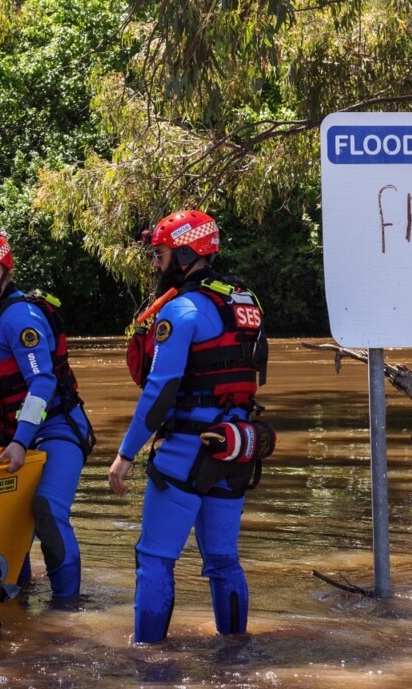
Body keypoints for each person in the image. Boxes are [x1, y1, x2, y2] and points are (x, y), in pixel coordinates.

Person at [109, 210, 273, 643]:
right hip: (236, 446)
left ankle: (147, 661)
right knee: (223, 560)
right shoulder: (245, 302)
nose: (157, 266)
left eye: (160, 255)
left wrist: (125, 455)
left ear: (185, 254)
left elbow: (159, 393)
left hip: (186, 448)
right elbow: (257, 373)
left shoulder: (180, 310)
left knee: (155, 558)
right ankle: (236, 654)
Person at [0, 231, 95, 600]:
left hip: (56, 429)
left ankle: (67, 608)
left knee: (46, 509)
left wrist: (22, 440)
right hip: (10, 434)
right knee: (3, 518)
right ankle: (17, 596)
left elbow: (42, 382)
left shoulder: (20, 317)